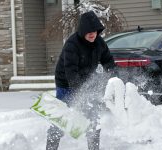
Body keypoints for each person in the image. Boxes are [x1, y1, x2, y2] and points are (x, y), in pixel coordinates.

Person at [46, 11, 116, 150]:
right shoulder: (72, 44)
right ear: (83, 31)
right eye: (89, 31)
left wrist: (113, 78)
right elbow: (71, 71)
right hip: (66, 83)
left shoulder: (99, 43)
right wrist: (79, 94)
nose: (92, 34)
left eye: (95, 31)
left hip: (86, 82)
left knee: (92, 118)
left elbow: (108, 61)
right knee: (61, 118)